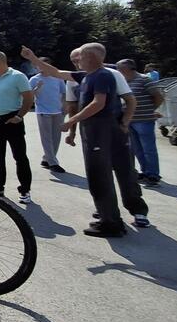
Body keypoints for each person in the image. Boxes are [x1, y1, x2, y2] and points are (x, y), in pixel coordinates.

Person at [22, 44, 149, 234]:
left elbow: (99, 103)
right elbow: (55, 72)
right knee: (101, 175)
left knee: (104, 174)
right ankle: (108, 213)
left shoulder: (104, 75)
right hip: (96, 131)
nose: (76, 62)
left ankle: (112, 222)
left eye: (78, 58)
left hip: (102, 131)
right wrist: (32, 58)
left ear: (90, 57)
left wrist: (71, 121)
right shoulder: (84, 76)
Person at [0, 51, 34, 203]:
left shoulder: (17, 76)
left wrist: (19, 116)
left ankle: (25, 190)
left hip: (12, 120)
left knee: (19, 156)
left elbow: (29, 97)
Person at [117, 59, 165, 186]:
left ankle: (153, 174)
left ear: (127, 69)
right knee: (137, 149)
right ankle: (145, 172)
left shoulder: (144, 80)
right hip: (130, 120)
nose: (118, 71)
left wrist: (150, 110)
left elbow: (159, 97)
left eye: (120, 69)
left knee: (148, 148)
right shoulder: (123, 82)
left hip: (144, 120)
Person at [29, 59, 67, 173]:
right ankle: (53, 163)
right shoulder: (34, 79)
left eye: (42, 65)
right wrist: (37, 88)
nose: (40, 68)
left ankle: (47, 158)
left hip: (57, 111)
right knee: (47, 138)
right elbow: (29, 96)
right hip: (43, 111)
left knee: (56, 137)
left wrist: (64, 106)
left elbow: (64, 93)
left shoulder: (57, 78)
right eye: (37, 66)